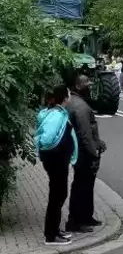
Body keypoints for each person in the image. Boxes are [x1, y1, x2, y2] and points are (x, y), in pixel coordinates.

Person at [35, 85, 78, 245]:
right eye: (68, 93)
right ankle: (51, 236)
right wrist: (56, 152)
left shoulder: (57, 112)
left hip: (57, 162)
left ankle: (54, 230)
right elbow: (46, 140)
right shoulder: (56, 115)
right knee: (57, 196)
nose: (70, 95)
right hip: (57, 163)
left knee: (59, 195)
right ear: (64, 98)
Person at [66, 75, 107, 233]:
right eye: (86, 83)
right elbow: (85, 134)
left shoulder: (76, 102)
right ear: (77, 86)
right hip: (83, 153)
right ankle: (76, 221)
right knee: (82, 187)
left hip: (80, 151)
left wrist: (98, 142)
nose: (89, 85)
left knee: (85, 186)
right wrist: (93, 152)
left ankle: (86, 216)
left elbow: (88, 131)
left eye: (90, 82)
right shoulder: (80, 106)